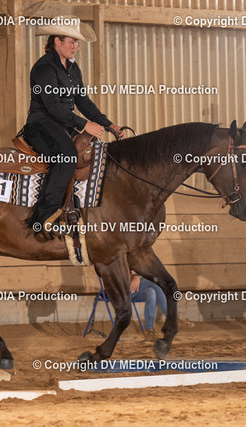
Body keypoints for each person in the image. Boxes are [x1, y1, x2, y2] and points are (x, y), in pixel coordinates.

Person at [24, 16, 124, 233]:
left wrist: (109, 125)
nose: (76, 47)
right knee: (67, 155)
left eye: (77, 42)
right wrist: (85, 125)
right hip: (40, 125)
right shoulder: (44, 67)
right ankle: (44, 217)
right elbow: (52, 106)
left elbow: (83, 101)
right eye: (72, 42)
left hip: (62, 126)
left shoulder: (72, 68)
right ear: (57, 41)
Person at [129, 271, 168, 340]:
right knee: (153, 281)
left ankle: (149, 330)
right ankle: (171, 316)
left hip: (133, 290)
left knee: (151, 292)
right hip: (120, 291)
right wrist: (135, 276)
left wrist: (137, 275)